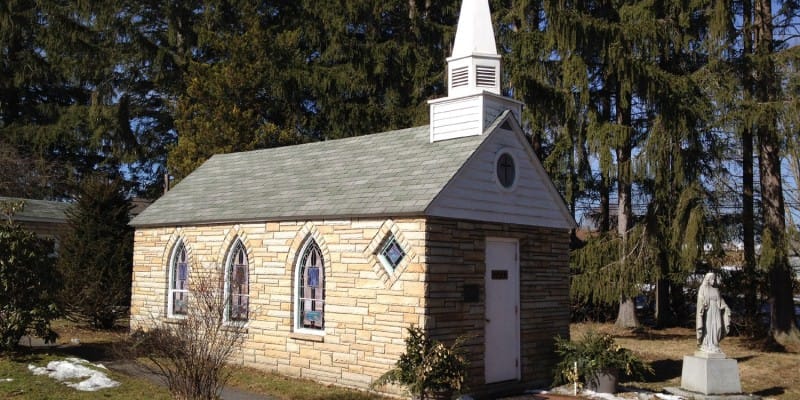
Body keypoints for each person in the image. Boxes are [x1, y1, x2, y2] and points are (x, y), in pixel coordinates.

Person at [696, 272, 731, 353]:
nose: (714, 281)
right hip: (708, 311)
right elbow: (700, 298)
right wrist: (703, 302)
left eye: (714, 279)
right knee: (708, 327)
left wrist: (726, 307)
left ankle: (715, 344)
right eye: (712, 279)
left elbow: (721, 300)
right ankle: (707, 344)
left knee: (718, 326)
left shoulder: (716, 290)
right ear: (708, 279)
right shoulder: (703, 288)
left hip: (716, 310)